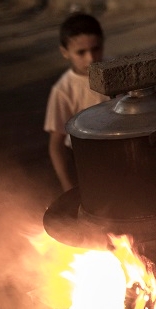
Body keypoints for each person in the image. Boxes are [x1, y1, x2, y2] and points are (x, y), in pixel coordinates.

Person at [45, 13, 109, 192]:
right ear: (65, 52)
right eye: (81, 52)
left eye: (96, 49)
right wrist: (68, 186)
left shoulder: (118, 72)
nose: (91, 58)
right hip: (84, 161)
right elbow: (56, 144)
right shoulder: (64, 90)